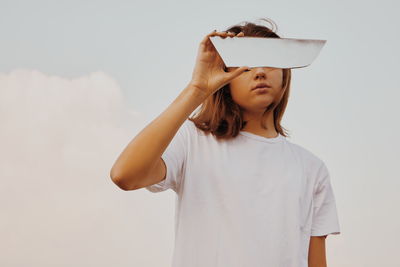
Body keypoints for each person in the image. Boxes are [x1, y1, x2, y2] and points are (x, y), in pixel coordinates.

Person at [110, 18, 341, 267]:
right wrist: (197, 88)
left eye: (271, 61)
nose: (260, 71)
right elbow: (126, 175)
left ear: (286, 74)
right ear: (226, 79)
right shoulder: (193, 141)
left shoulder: (312, 168)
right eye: (246, 65)